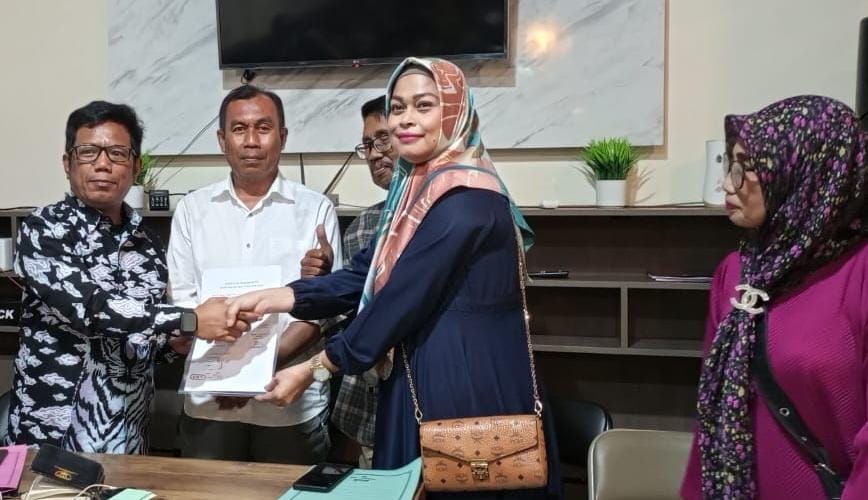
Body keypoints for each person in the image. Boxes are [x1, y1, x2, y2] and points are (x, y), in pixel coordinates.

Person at [225, 57, 562, 499]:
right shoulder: (416, 192)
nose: (404, 119)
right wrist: (280, 296)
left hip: (466, 384)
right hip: (423, 373)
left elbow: (398, 301)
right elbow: (365, 273)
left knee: (459, 483)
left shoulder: (465, 201)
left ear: (455, 111)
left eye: (424, 105)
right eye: (397, 107)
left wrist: (315, 368)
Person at [6, 101, 242, 453]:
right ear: (68, 163)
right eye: (88, 152)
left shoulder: (148, 244)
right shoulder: (45, 229)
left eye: (117, 153)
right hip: (52, 437)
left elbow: (138, 342)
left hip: (129, 436)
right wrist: (191, 319)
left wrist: (174, 345)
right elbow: (91, 310)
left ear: (135, 166)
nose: (103, 164)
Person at [681, 95, 868, 499]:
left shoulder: (860, 274)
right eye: (729, 166)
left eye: (746, 168)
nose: (727, 184)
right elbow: (712, 411)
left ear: (807, 173)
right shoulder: (736, 272)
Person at [168, 85, 342, 464]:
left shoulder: (315, 210)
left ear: (282, 137)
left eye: (263, 128)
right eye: (239, 129)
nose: (251, 141)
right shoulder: (192, 210)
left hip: (287, 402)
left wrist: (249, 375)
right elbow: (184, 306)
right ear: (222, 139)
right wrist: (231, 376)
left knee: (290, 491)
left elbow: (318, 315)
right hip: (209, 402)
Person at [328, 95, 397, 468]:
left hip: (436, 402)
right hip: (371, 410)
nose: (373, 154)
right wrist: (321, 280)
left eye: (383, 139)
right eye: (367, 144)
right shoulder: (364, 226)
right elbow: (350, 315)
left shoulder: (456, 210)